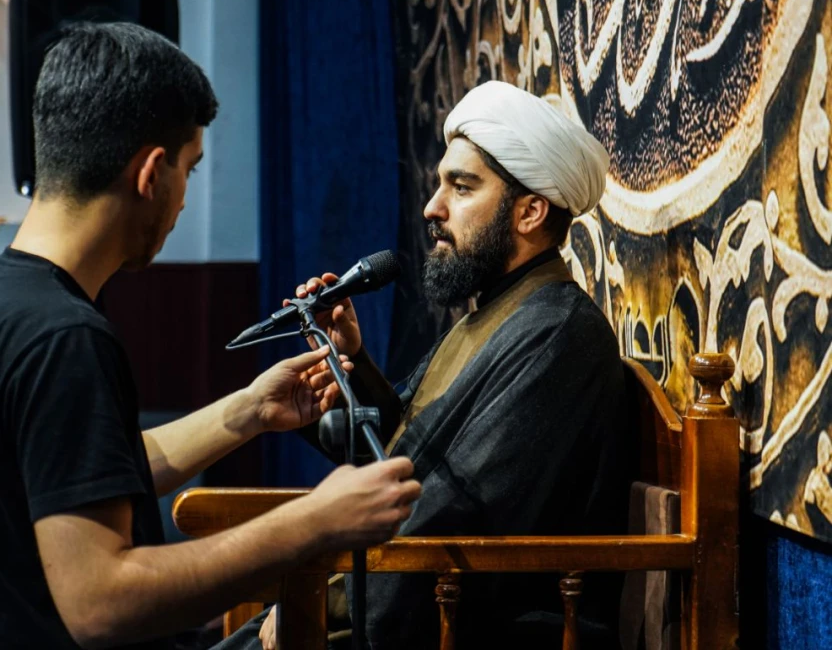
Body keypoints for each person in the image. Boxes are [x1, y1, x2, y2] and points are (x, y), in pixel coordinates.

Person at [0, 22, 421, 650]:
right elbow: (101, 602)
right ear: (151, 172)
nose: (184, 198)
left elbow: (90, 473)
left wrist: (250, 410)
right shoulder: (63, 337)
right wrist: (315, 522)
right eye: (190, 169)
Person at [241, 81, 633, 649]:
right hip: (408, 602)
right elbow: (406, 449)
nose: (433, 207)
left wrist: (319, 605)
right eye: (440, 183)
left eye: (462, 186)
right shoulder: (498, 314)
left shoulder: (558, 336)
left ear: (530, 212)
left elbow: (456, 512)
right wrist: (351, 364)